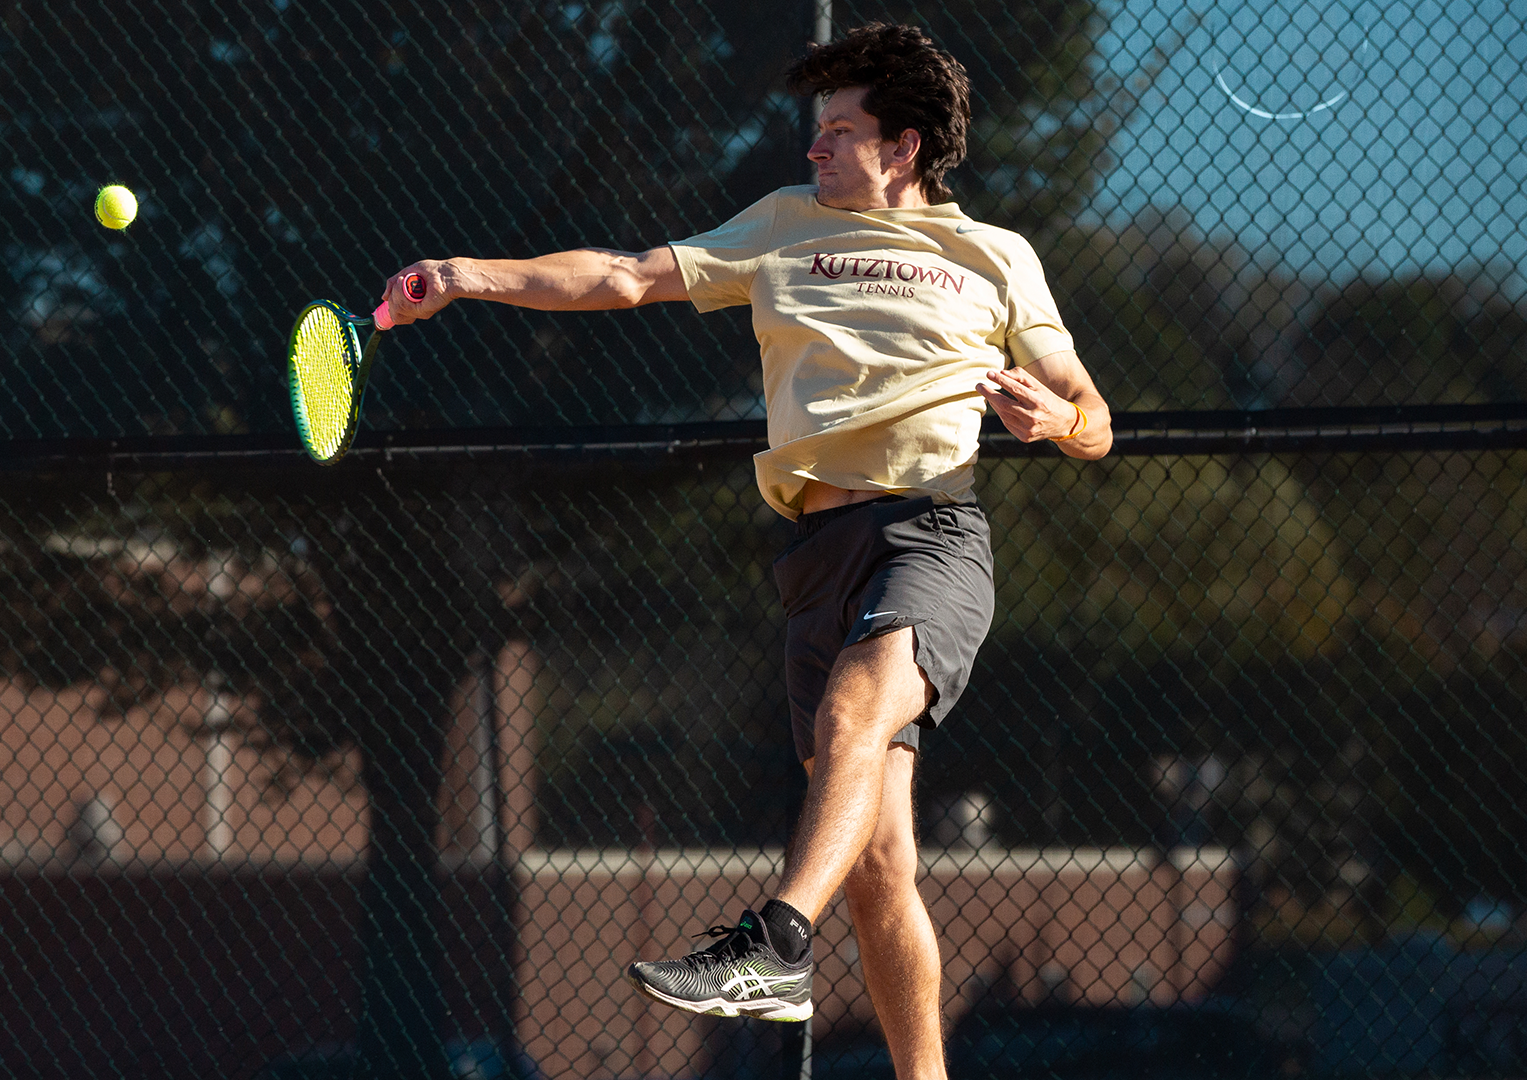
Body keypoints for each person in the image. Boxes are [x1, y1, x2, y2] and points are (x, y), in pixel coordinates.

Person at [376, 22, 1112, 1080]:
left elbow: (1097, 420)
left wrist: (1057, 419)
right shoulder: (780, 226)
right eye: (815, 134)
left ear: (903, 150)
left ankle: (772, 945)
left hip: (931, 532)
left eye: (840, 134)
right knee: (878, 868)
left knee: (859, 709)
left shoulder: (995, 258)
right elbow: (626, 277)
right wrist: (466, 275)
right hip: (817, 553)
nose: (813, 152)